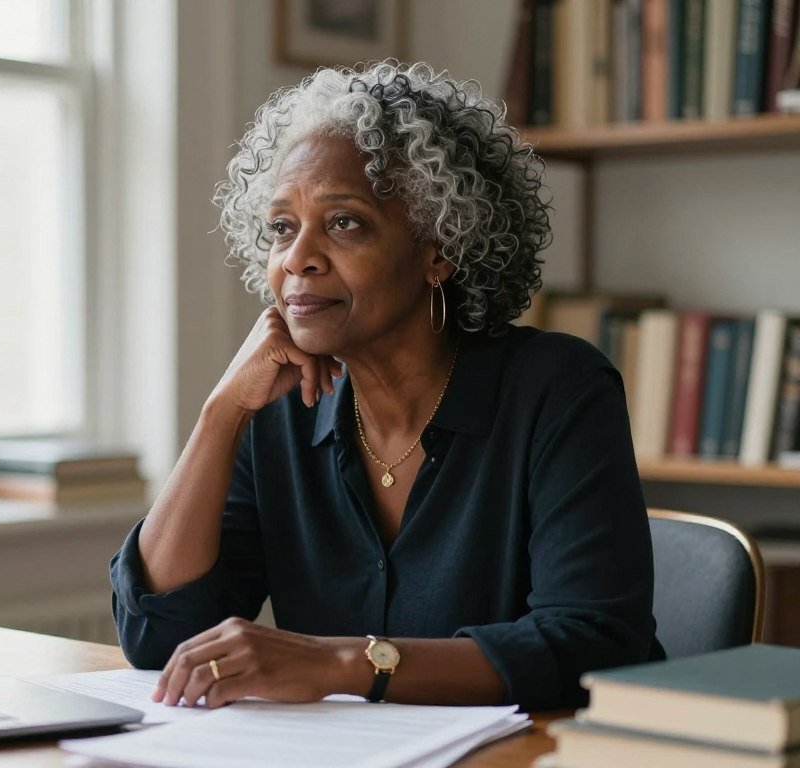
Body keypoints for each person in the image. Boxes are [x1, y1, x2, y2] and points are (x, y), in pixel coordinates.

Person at [110, 60, 663, 711]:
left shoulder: (559, 390)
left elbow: (594, 645)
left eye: (344, 223)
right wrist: (221, 412)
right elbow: (159, 635)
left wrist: (343, 662)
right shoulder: (277, 409)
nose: (298, 259)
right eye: (283, 228)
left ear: (440, 250)